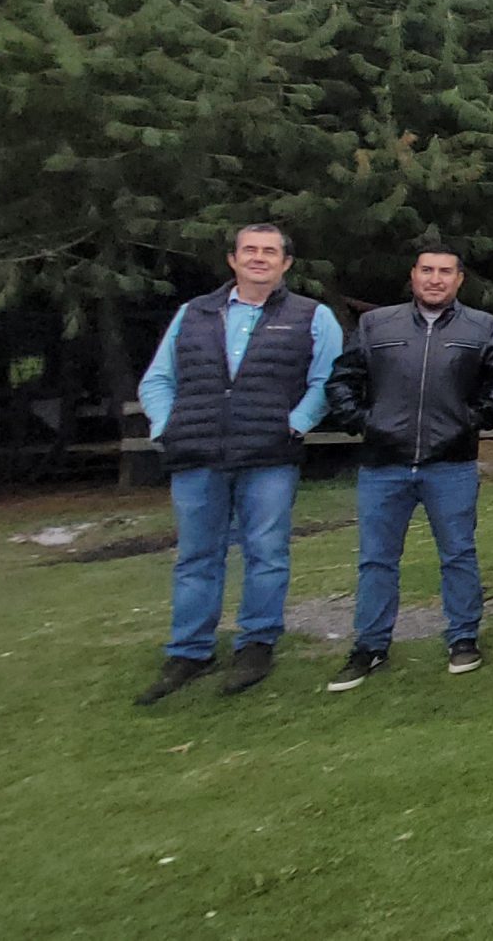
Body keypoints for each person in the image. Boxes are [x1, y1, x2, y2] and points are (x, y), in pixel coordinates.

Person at [134, 223, 346, 705]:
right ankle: (189, 650)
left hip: (268, 455)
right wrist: (166, 427)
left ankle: (256, 643)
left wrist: (295, 424)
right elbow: (158, 380)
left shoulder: (311, 316)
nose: (259, 258)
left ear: (286, 264)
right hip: (197, 453)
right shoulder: (194, 313)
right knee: (195, 557)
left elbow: (328, 380)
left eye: (270, 252)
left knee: (266, 552)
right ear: (232, 259)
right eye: (249, 250)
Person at [322, 245, 493, 692]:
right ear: (413, 275)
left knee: (458, 554)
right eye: (427, 270)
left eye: (445, 272)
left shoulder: (482, 327)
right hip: (383, 465)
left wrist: (470, 422)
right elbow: (343, 380)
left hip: (451, 463)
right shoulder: (377, 324)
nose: (435, 279)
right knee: (376, 559)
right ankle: (370, 645)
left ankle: (463, 637)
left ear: (459, 279)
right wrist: (365, 424)